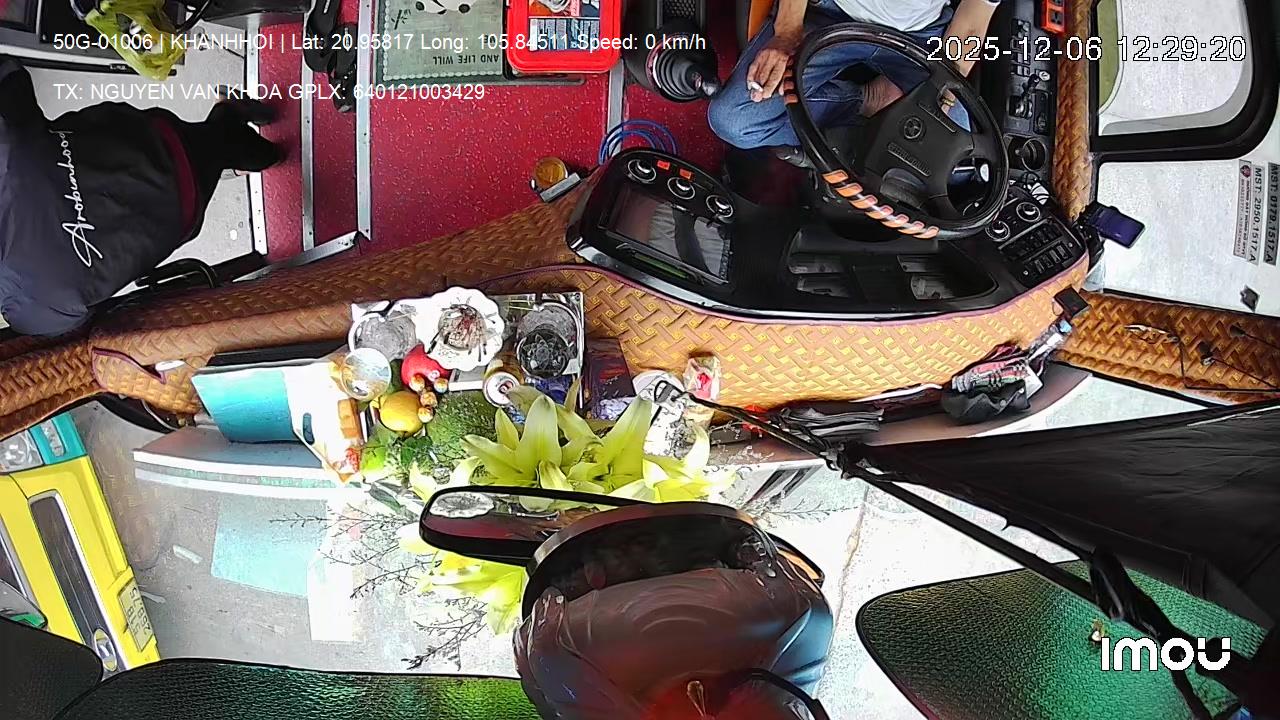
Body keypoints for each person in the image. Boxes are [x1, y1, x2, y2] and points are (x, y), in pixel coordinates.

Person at [0, 55, 282, 337]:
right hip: (153, 139)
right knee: (204, 146)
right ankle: (230, 121)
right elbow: (10, 73)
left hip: (178, 214)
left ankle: (236, 137)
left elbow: (89, 315)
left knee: (213, 155)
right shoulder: (7, 150)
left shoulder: (29, 311)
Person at [707, 0, 1003, 153]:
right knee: (734, 120)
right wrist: (786, 32)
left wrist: (941, 99)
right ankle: (868, 101)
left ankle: (864, 138)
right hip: (830, 13)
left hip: (919, 33)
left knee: (954, 151)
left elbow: (971, 24)